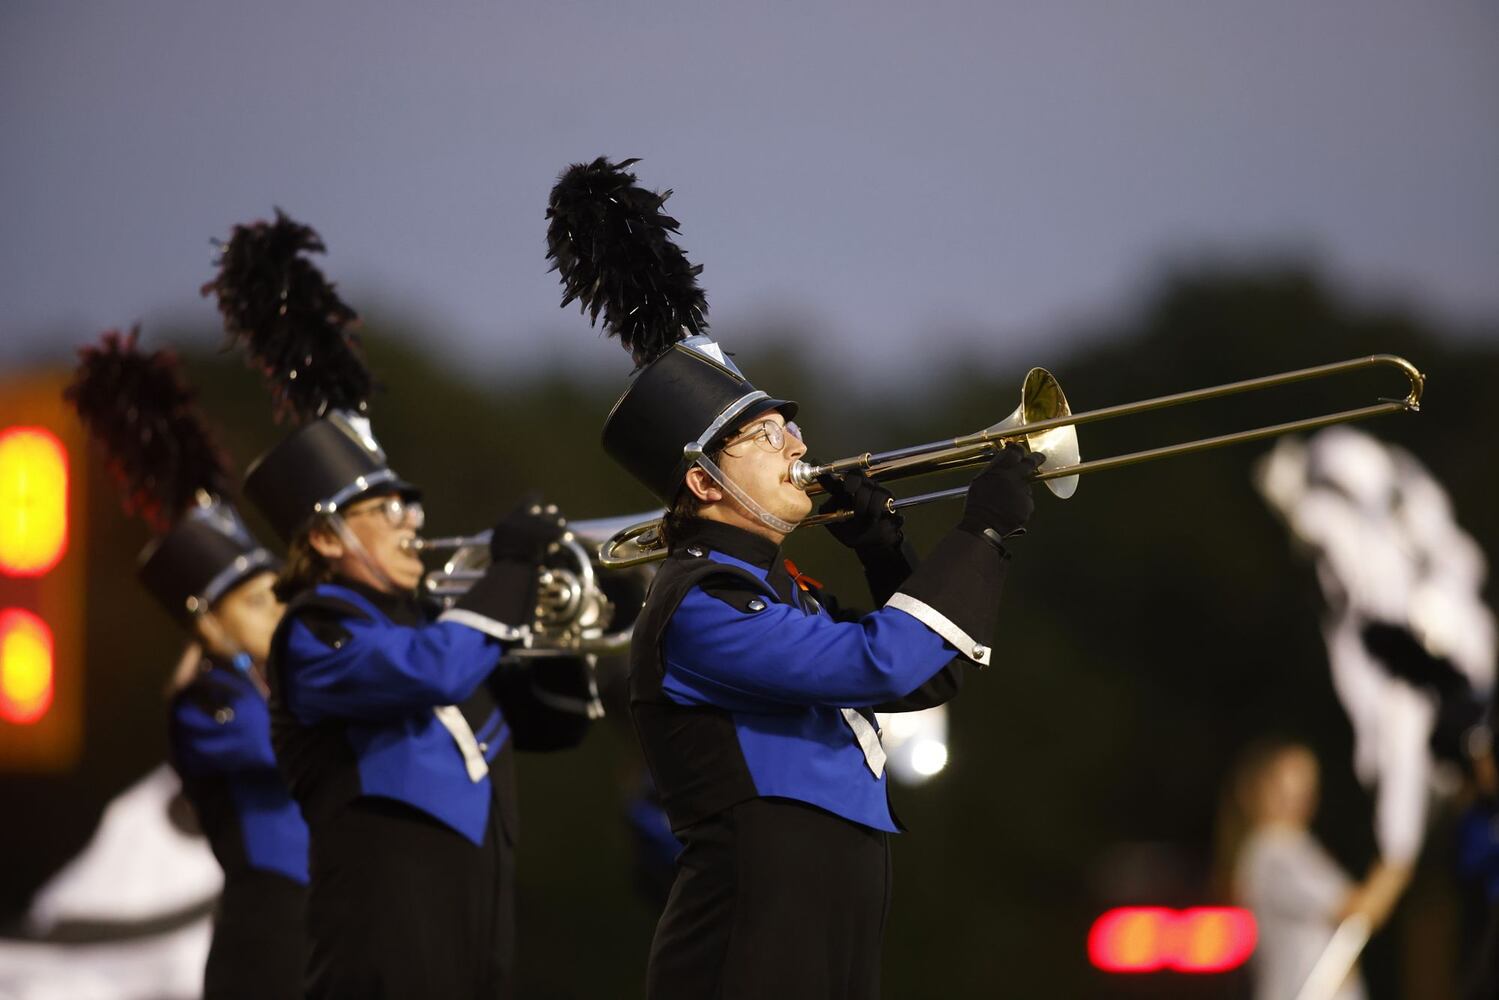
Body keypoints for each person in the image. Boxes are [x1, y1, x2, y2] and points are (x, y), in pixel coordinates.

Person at [546, 156, 1042, 996]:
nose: (799, 447)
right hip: (752, 943)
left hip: (826, 932)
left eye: (787, 429)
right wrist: (982, 528)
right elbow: (883, 662)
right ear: (704, 480)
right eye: (767, 435)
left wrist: (885, 551)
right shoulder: (699, 606)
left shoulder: (779, 592)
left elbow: (930, 678)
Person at [207, 210, 598, 998]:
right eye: (384, 511)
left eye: (409, 506)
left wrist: (560, 633)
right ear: (321, 539)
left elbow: (546, 726)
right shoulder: (315, 636)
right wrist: (509, 571)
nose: (412, 521)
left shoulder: (430, 625)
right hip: (382, 942)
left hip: (477, 926)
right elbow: (430, 674)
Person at [66, 329, 308, 1000]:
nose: (281, 612)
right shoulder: (205, 700)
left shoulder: (275, 681)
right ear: (208, 620)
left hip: (318, 920)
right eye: (259, 602)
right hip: (268, 925)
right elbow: (281, 751)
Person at [1227, 739, 1408, 1000]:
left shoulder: (1296, 846)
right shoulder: (1274, 853)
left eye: (1306, 785)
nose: (1297, 797)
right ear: (1258, 788)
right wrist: (1403, 848)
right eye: (1284, 785)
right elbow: (1360, 909)